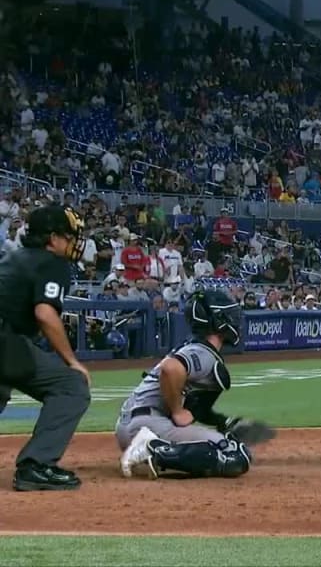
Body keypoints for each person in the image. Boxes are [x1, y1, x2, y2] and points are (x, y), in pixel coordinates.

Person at [115, 290, 258, 479]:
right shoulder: (203, 353)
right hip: (148, 425)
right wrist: (176, 411)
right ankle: (153, 448)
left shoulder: (191, 348)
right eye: (230, 316)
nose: (235, 322)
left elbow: (193, 408)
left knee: (225, 448)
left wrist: (223, 422)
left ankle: (155, 448)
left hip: (130, 424)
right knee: (234, 454)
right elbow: (170, 369)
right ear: (218, 321)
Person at [0, 205, 92, 491]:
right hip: (5, 339)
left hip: (7, 341)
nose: (74, 242)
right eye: (68, 236)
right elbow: (45, 314)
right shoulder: (51, 262)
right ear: (53, 238)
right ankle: (36, 466)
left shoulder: (14, 257)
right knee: (72, 386)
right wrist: (72, 360)